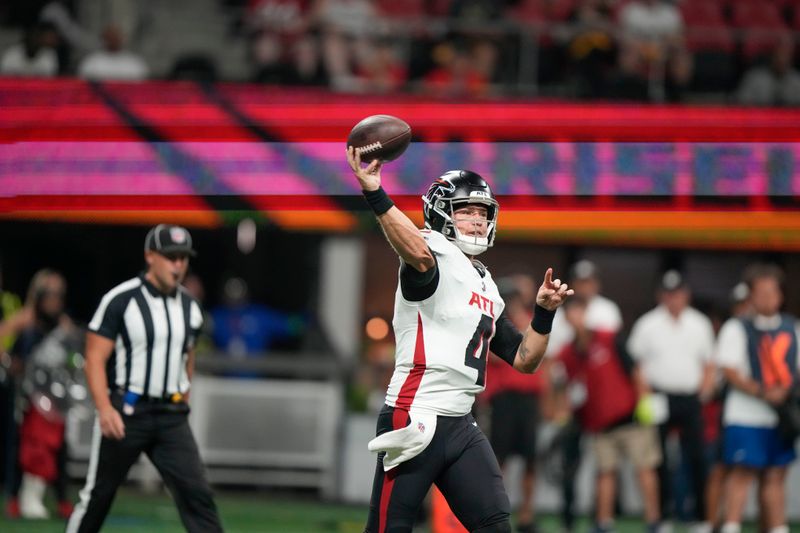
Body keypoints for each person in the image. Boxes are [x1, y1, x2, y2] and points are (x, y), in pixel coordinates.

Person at [346, 147, 573, 533]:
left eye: (483, 214)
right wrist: (375, 192)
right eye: (466, 211)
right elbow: (416, 251)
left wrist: (543, 313)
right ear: (440, 213)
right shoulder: (429, 253)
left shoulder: (484, 281)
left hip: (460, 422)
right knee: (388, 528)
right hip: (414, 413)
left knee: (495, 522)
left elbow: (525, 359)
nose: (477, 221)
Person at [66, 224, 223, 533]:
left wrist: (183, 397)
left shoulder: (190, 307)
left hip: (171, 416)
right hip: (127, 411)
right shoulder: (121, 300)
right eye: (171, 257)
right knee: (98, 496)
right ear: (150, 256)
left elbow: (187, 356)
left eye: (183, 258)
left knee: (198, 496)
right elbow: (94, 358)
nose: (178, 264)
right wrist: (105, 408)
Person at [553, 295, 661, 533]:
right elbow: (567, 386)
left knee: (644, 469)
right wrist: (563, 410)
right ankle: (604, 523)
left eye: (579, 312)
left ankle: (654, 522)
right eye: (571, 314)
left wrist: (645, 403)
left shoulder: (609, 338)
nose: (576, 318)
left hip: (631, 418)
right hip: (600, 424)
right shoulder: (568, 353)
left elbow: (635, 370)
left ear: (586, 313)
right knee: (604, 473)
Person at [627, 270, 716, 532]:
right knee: (659, 459)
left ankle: (700, 517)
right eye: (668, 294)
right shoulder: (648, 324)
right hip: (658, 397)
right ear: (660, 296)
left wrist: (704, 391)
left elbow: (709, 363)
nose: (673, 299)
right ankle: (663, 516)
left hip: (690, 398)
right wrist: (644, 395)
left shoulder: (699, 323)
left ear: (686, 295)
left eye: (677, 294)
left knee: (697, 457)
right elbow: (637, 364)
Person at [716, 264, 798, 533]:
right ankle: (731, 526)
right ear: (751, 296)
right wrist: (762, 392)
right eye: (761, 292)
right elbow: (730, 371)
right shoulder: (737, 327)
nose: (767, 298)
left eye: (772, 292)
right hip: (745, 415)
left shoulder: (791, 327)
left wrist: (785, 392)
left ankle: (776, 528)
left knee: (775, 475)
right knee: (741, 474)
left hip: (779, 416)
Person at [543, 259, 622, 533]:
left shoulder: (607, 313)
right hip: (574, 402)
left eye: (589, 281)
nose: (585, 286)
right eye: (581, 281)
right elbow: (554, 367)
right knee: (570, 463)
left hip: (603, 402)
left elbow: (614, 357)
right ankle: (569, 518)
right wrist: (556, 404)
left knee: (607, 462)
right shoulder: (562, 313)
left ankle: (605, 518)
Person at [483, 276, 544, 533]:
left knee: (530, 459)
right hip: (504, 398)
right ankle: (496, 511)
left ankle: (527, 515)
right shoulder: (492, 321)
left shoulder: (531, 319)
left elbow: (535, 352)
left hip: (529, 398)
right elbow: (498, 354)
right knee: (499, 458)